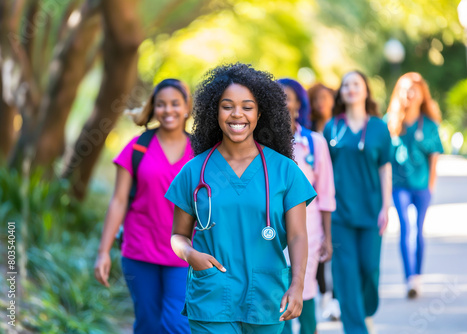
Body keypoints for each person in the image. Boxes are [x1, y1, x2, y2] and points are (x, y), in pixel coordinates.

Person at [165, 63, 317, 334]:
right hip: (212, 297)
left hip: (266, 296)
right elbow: (178, 235)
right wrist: (190, 254)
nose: (237, 114)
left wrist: (297, 284)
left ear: (261, 113)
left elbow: (297, 236)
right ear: (215, 111)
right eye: (227, 106)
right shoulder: (194, 170)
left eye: (247, 106)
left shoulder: (285, 171)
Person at [94, 79, 193, 334]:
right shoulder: (138, 147)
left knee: (177, 323)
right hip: (140, 251)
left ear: (186, 108)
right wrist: (103, 252)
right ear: (153, 109)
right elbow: (118, 201)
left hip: (185, 253)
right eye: (161, 105)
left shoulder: (200, 150)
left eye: (175, 104)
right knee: (148, 324)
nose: (168, 110)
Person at [323, 71, 392, 334]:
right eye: (346, 85)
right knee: (346, 272)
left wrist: (386, 207)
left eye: (356, 84)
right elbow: (324, 170)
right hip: (340, 214)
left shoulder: (378, 127)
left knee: (369, 269)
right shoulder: (332, 128)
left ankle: (364, 312)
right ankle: (356, 327)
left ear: (365, 91)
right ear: (341, 93)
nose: (350, 89)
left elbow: (385, 169)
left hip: (371, 211)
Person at [277, 78, 336, 334]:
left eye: (287, 97)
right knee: (278, 292)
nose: (282, 103)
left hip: (308, 233)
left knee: (305, 289)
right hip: (272, 235)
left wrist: (327, 237)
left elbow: (326, 195)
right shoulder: (261, 145)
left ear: (299, 104)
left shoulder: (315, 143)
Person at [386, 72, 444, 299]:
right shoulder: (389, 122)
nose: (410, 94)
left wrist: (430, 187)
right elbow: (383, 159)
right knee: (405, 227)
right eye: (405, 89)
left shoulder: (429, 125)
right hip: (399, 186)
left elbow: (434, 159)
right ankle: (409, 278)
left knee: (418, 230)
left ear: (422, 95)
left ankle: (417, 277)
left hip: (421, 186)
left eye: (414, 90)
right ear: (399, 93)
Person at [307, 82, 340, 320]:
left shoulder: (338, 127)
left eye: (325, 98)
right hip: (315, 203)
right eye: (316, 98)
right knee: (314, 257)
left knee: (331, 250)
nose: (321, 103)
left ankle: (332, 296)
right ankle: (323, 295)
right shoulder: (307, 132)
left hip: (333, 197)